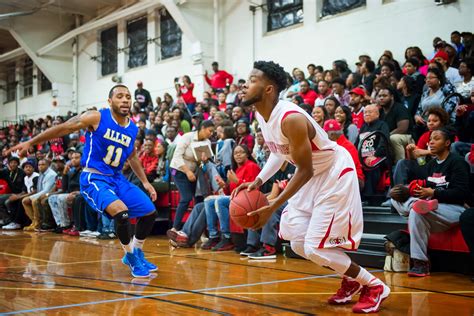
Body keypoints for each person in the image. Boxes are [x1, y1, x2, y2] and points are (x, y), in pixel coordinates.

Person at [235, 61, 390, 314]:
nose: (244, 85)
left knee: (315, 247)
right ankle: (350, 279)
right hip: (312, 175)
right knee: (297, 241)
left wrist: (272, 205)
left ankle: (373, 286)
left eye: (252, 80)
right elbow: (279, 152)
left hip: (332, 173)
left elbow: (305, 169)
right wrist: (259, 180)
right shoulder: (262, 115)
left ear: (269, 89)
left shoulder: (291, 118)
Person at [8, 84, 159, 278]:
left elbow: (132, 156)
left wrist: (145, 182)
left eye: (128, 97)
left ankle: (137, 251)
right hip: (94, 177)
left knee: (149, 212)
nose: (125, 100)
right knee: (121, 214)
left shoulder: (131, 127)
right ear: (110, 101)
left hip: (116, 178)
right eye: (120, 96)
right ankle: (130, 256)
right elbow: (64, 127)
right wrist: (32, 142)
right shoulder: (96, 117)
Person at [390, 127, 470, 277]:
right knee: (401, 202)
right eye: (430, 139)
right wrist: (408, 191)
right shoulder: (431, 165)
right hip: (431, 207)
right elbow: (422, 184)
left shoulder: (457, 162)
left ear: (447, 143)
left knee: (418, 209)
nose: (431, 142)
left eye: (436, 139)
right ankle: (421, 264)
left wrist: (434, 193)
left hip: (455, 209)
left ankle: (416, 205)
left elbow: (462, 193)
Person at [169, 120, 215, 231]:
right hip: (179, 169)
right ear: (202, 128)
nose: (211, 134)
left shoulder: (207, 142)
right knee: (186, 197)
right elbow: (177, 156)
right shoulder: (187, 137)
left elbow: (203, 163)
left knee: (198, 199)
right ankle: (175, 228)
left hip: (195, 172)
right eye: (210, 131)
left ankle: (197, 231)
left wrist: (203, 161)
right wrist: (187, 171)